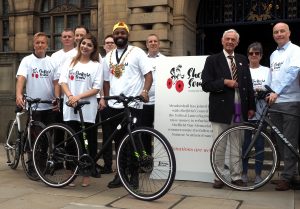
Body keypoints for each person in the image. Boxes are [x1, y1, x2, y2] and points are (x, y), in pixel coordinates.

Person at [201, 29, 256, 189]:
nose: (230, 42)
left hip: (240, 108)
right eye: (228, 39)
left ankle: (236, 176)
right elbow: (206, 85)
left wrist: (251, 106)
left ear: (237, 43)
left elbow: (249, 85)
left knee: (236, 144)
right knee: (219, 144)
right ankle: (219, 177)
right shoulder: (212, 60)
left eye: (233, 40)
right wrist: (225, 82)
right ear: (222, 41)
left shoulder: (242, 59)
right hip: (221, 109)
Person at [101, 21, 153, 188]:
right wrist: (107, 98)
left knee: (132, 141)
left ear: (127, 35)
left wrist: (144, 91)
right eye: (117, 33)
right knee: (118, 142)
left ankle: (134, 177)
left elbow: (148, 75)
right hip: (114, 105)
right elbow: (107, 81)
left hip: (133, 104)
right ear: (113, 36)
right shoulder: (108, 56)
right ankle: (120, 175)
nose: (120, 36)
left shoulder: (137, 52)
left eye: (123, 33)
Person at [59, 33, 103, 187]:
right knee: (71, 141)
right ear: (80, 44)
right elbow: (62, 81)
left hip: (88, 109)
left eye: (89, 45)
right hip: (70, 107)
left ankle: (86, 174)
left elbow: (97, 88)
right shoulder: (70, 62)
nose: (85, 46)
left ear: (93, 49)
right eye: (83, 43)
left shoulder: (96, 65)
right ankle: (70, 173)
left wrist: (78, 97)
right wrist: (71, 96)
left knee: (88, 142)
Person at [267, 22, 300, 191]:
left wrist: (277, 92)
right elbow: (271, 76)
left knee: (289, 141)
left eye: (282, 31)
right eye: (276, 32)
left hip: (290, 101)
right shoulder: (273, 55)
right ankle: (291, 174)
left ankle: (287, 178)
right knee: (280, 141)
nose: (279, 34)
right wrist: (266, 90)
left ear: (289, 33)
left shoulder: (295, 50)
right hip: (275, 102)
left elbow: (293, 73)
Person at [242, 42, 272, 184]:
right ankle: (244, 172)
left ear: (261, 55)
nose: (254, 55)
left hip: (261, 112)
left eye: (257, 53)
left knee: (259, 145)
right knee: (246, 144)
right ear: (247, 55)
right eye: (251, 53)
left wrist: (265, 92)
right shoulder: (243, 70)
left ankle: (259, 174)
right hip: (247, 112)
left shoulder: (267, 71)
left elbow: (272, 89)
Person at [16, 32, 60, 125]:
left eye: (42, 43)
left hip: (50, 106)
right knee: (35, 137)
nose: (40, 45)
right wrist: (18, 94)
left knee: (49, 136)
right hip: (34, 107)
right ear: (34, 45)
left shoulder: (53, 61)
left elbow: (56, 83)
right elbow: (21, 78)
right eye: (37, 43)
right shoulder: (26, 60)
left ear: (47, 45)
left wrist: (57, 98)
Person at [140, 34, 165, 153]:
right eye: (150, 41)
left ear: (159, 44)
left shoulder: (166, 60)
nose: (153, 43)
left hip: (161, 103)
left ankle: (162, 158)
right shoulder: (142, 60)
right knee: (145, 133)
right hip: (145, 102)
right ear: (147, 44)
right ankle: (147, 158)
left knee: (162, 132)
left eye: (155, 41)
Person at [97, 34, 116, 174]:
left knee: (120, 134)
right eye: (107, 42)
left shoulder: (121, 60)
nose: (109, 44)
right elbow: (101, 83)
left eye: (112, 42)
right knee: (107, 135)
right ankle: (108, 165)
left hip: (119, 102)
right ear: (104, 46)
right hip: (105, 102)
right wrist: (103, 98)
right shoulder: (101, 61)